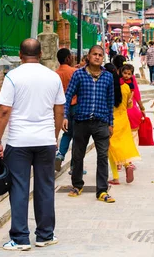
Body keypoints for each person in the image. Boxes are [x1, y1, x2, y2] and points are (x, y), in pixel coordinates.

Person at [0, 39, 65, 251]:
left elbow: (4, 111)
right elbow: (59, 111)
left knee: (19, 188)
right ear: (41, 53)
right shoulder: (53, 77)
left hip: (19, 141)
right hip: (45, 141)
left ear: (19, 55)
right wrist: (54, 136)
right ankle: (45, 235)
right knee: (44, 187)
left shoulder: (12, 77)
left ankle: (20, 238)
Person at [64, 45, 115, 203]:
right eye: (95, 54)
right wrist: (65, 116)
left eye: (100, 55)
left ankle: (102, 190)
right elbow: (68, 96)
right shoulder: (78, 75)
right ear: (88, 56)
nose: (97, 57)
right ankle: (77, 185)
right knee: (78, 155)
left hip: (101, 122)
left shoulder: (108, 77)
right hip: (81, 120)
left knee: (102, 156)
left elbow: (110, 100)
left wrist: (110, 123)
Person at [104, 63, 140, 185]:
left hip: (111, 121)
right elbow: (129, 105)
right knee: (123, 145)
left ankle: (115, 177)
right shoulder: (125, 87)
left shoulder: (107, 88)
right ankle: (127, 164)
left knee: (111, 149)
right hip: (124, 120)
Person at [112, 56, 144, 152]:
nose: (126, 75)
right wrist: (142, 108)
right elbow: (136, 94)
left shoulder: (112, 76)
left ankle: (119, 160)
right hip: (130, 110)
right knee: (132, 135)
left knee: (118, 136)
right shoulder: (131, 78)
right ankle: (129, 159)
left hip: (116, 111)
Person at [55, 48, 78, 173]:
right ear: (68, 58)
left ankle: (60, 155)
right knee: (77, 136)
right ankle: (74, 166)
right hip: (75, 106)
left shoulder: (56, 74)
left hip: (62, 108)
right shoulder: (75, 72)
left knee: (67, 133)